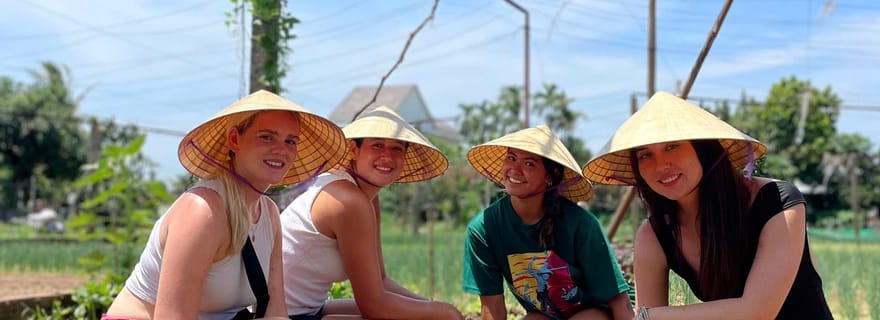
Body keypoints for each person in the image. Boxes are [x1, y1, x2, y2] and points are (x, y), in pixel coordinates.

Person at [582, 91, 833, 319]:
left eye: (672, 146)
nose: (661, 165)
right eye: (645, 155)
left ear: (704, 150)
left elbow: (757, 311)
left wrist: (650, 317)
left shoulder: (778, 201)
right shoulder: (654, 235)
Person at [104, 90, 347, 320]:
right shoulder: (202, 211)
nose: (281, 150)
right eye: (266, 137)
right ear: (234, 140)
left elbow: (275, 311)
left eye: (290, 141)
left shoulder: (269, 213)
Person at [280, 106, 464, 320]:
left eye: (397, 148)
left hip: (311, 309)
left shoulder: (367, 199)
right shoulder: (348, 201)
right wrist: (447, 313)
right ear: (354, 150)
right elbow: (373, 307)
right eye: (377, 145)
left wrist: (433, 308)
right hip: (280, 315)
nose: (387, 156)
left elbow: (381, 281)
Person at [462, 125, 634, 320]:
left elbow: (620, 302)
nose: (515, 169)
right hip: (544, 314)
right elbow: (492, 309)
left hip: (599, 312)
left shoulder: (581, 224)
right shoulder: (484, 229)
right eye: (511, 158)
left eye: (529, 164)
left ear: (549, 177)